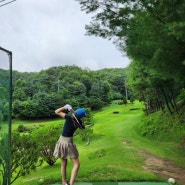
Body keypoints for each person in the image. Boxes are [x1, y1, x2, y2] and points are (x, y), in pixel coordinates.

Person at [53, 104, 86, 185]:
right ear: (81, 117)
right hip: (67, 143)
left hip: (61, 141)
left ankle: (64, 183)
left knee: (63, 164)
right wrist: (74, 112)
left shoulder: (68, 118)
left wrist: (65, 107)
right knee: (76, 164)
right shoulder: (79, 123)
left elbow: (56, 111)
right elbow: (82, 127)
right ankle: (70, 184)